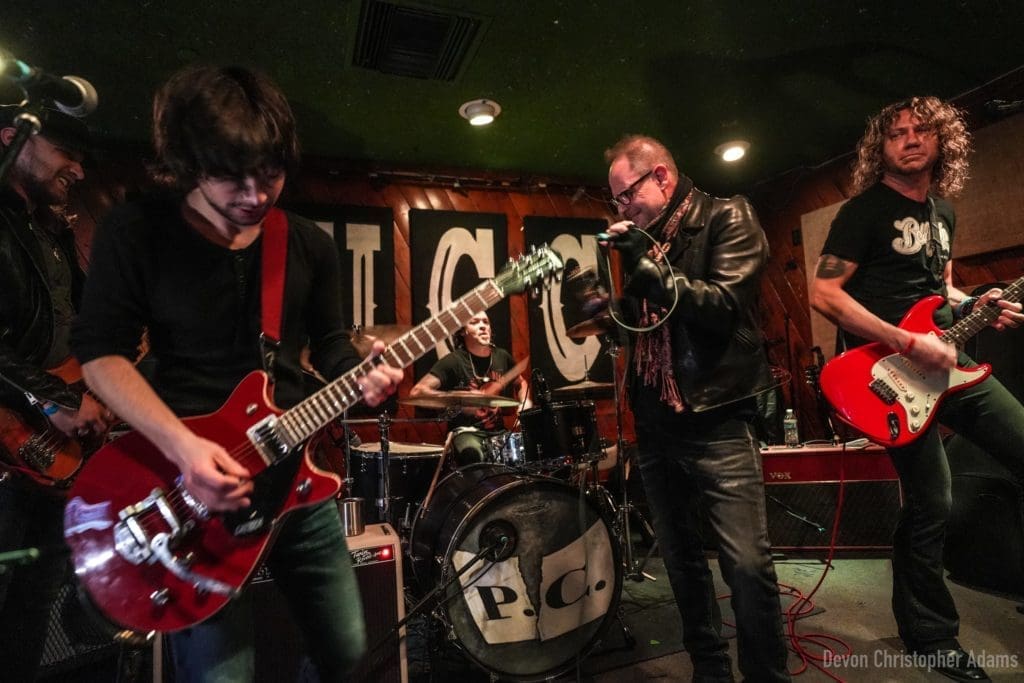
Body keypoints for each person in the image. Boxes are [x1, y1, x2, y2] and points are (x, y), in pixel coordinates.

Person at [71, 65, 404, 681]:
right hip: (187, 485)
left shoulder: (305, 244)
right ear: (187, 161)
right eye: (231, 175)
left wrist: (364, 375)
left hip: (296, 480)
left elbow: (331, 343)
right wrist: (186, 449)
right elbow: (101, 356)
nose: (255, 194)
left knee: (348, 650)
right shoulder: (138, 231)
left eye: (271, 173)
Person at [810, 96, 1024, 682]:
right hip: (892, 375)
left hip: (949, 364)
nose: (909, 139)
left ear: (942, 141)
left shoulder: (943, 212)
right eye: (897, 133)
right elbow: (825, 295)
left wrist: (976, 305)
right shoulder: (863, 212)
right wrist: (906, 344)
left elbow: (941, 287)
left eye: (921, 131)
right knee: (933, 500)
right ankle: (930, 635)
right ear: (880, 148)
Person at [602, 134, 791, 682]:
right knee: (681, 562)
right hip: (657, 423)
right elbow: (650, 330)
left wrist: (648, 272)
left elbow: (723, 305)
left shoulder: (727, 217)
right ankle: (710, 670)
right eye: (616, 201)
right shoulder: (647, 242)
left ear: (660, 176)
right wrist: (602, 310)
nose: (622, 208)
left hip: (718, 420)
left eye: (627, 194)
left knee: (747, 567)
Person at [0, 104, 112, 679]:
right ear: (12, 140)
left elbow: (75, 331)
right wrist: (52, 401)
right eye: (65, 151)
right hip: (15, 435)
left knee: (33, 598)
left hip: (45, 456)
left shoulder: (50, 232)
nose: (78, 169)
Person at [409, 312, 530, 466]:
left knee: (527, 454)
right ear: (462, 331)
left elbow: (521, 383)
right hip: (466, 432)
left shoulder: (502, 357)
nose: (483, 326)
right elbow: (417, 392)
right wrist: (453, 397)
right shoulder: (453, 361)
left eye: (486, 322)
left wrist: (525, 404)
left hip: (498, 433)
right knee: (472, 454)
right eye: (475, 322)